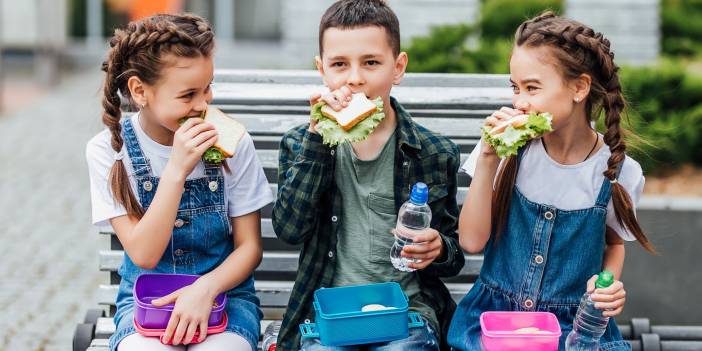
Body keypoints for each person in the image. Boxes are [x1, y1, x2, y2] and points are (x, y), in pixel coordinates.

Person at [447, 12, 656, 351]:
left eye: (532, 87)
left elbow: (614, 245)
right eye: (515, 88)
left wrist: (607, 286)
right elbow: (471, 241)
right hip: (495, 323)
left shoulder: (619, 172)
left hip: (571, 328)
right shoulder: (506, 151)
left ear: (579, 87)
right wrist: (487, 158)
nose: (519, 102)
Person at [86, 13, 273, 351]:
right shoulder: (108, 151)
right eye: (188, 95)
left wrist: (205, 289)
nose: (203, 104)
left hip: (224, 296)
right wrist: (176, 170)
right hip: (147, 299)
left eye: (208, 88)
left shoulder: (233, 142)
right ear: (140, 91)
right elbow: (143, 253)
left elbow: (250, 248)